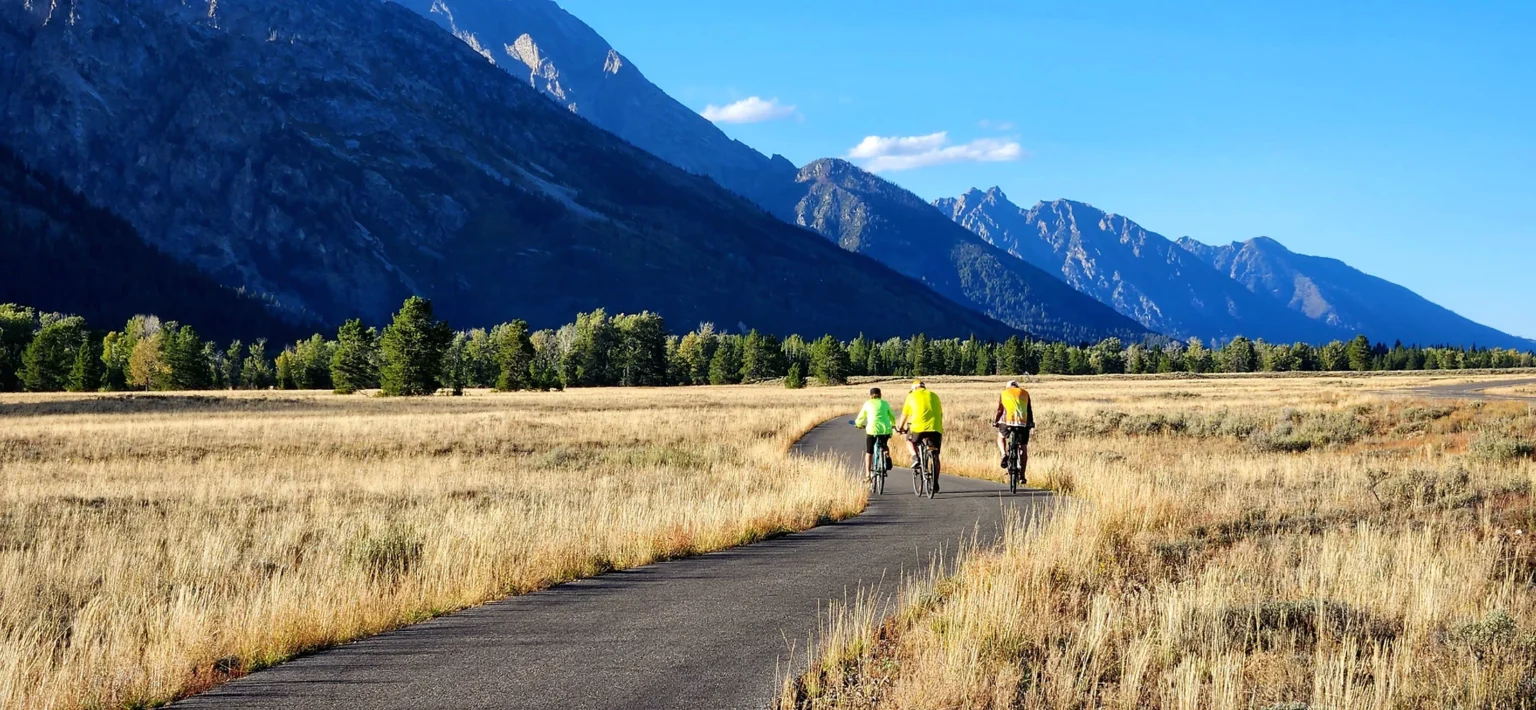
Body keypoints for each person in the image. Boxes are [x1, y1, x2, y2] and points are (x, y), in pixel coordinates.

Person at [895, 379, 943, 493]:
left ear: (914, 389)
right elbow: (940, 413)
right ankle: (935, 482)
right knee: (936, 454)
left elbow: (904, 415)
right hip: (935, 428)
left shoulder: (911, 396)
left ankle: (915, 457)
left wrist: (900, 428)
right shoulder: (934, 395)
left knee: (909, 439)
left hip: (918, 428)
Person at [995, 379, 1035, 476]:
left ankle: (1004, 454)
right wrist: (1031, 423)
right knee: (1023, 447)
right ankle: (1022, 475)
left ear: (1008, 387)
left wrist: (996, 421)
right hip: (1022, 422)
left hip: (1007, 422)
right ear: (1017, 386)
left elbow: (1000, 410)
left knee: (1000, 436)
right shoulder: (1025, 393)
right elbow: (1029, 410)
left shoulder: (1004, 393)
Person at [853, 387, 894, 478]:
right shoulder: (885, 403)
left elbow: (861, 417)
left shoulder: (868, 403)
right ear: (880, 395)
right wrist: (892, 424)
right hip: (885, 430)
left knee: (869, 452)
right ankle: (887, 456)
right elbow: (892, 416)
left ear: (870, 395)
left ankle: (868, 475)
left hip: (872, 430)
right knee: (884, 445)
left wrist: (858, 424)